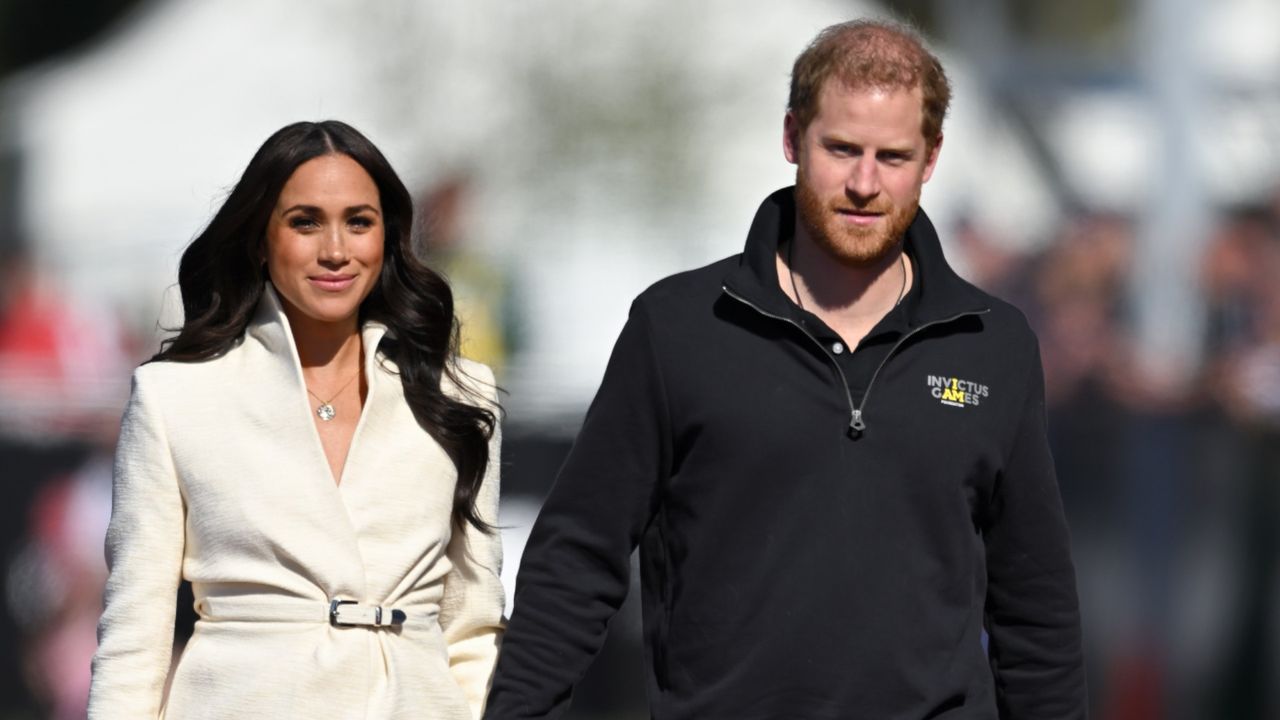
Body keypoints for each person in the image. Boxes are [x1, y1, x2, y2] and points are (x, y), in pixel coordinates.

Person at [484, 20, 1085, 720]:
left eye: (892, 156)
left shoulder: (992, 344)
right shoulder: (678, 326)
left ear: (931, 158)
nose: (865, 182)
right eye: (841, 149)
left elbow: (1033, 599)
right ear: (792, 137)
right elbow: (578, 555)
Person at [88, 121, 505, 719]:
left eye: (359, 222)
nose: (335, 249)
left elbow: (475, 625)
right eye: (305, 221)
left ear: (387, 239)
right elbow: (135, 634)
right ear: (260, 238)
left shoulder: (462, 395)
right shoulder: (173, 397)